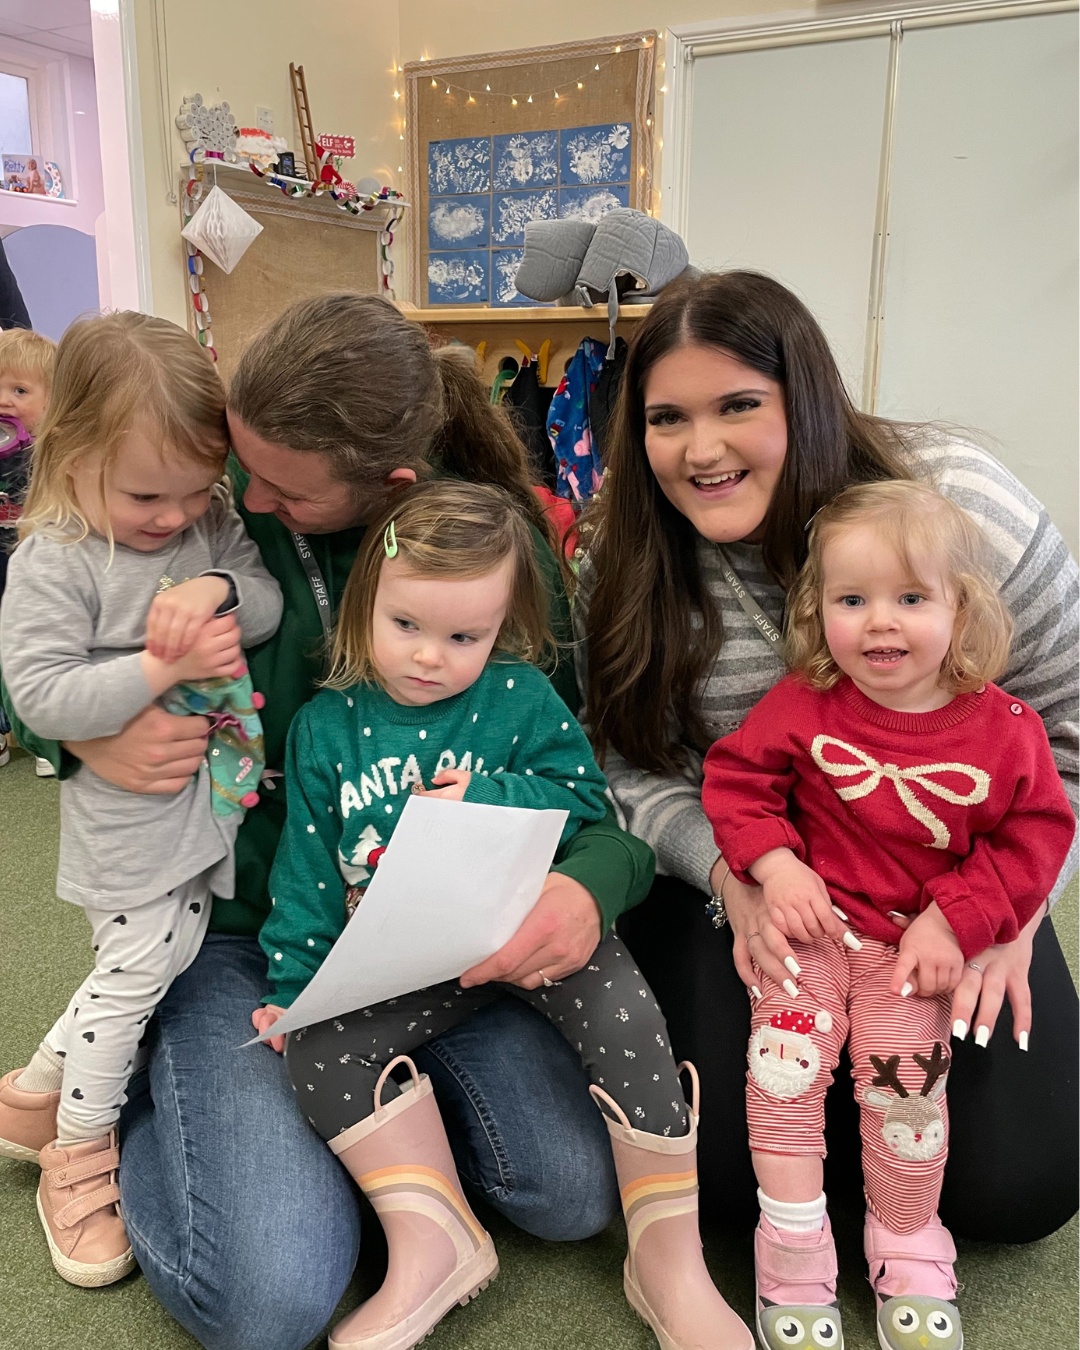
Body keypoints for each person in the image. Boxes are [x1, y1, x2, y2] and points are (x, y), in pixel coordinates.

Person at [0, 292, 654, 1350]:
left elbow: (580, 776)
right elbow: (35, 653)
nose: (241, 495)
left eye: (281, 489)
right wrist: (78, 742)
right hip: (241, 934)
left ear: (390, 484)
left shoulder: (496, 548)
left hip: (443, 939)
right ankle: (138, 1099)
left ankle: (327, 1138)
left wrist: (592, 882)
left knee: (570, 1193)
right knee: (269, 1303)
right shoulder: (197, 499)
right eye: (238, 466)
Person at [579, 270, 1079, 1246]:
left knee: (1018, 1185)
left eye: (738, 406)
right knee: (722, 1182)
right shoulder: (623, 555)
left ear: (804, 399)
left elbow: (1069, 737)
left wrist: (1010, 913)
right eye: (667, 418)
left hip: (951, 882)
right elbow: (621, 765)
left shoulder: (962, 511)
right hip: (762, 875)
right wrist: (731, 873)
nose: (701, 450)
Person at [255, 478, 751, 1350]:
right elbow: (304, 872)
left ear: (501, 627)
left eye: (464, 637)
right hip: (405, 960)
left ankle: (669, 1262)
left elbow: (584, 799)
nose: (429, 657)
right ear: (368, 600)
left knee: (629, 1015)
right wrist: (294, 988)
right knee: (314, 1051)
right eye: (406, 624)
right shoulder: (325, 728)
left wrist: (489, 794)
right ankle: (434, 1244)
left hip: (528, 937)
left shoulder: (519, 698)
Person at [701, 480, 1074, 1350]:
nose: (880, 623)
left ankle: (907, 1244)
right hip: (813, 931)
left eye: (910, 599)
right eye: (852, 600)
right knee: (781, 1076)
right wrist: (775, 863)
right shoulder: (804, 700)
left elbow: (1038, 836)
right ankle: (793, 1250)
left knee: (907, 1097)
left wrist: (958, 919)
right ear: (817, 609)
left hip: (914, 951)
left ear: (960, 608)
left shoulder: (1006, 729)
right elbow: (736, 781)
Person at [0, 312, 282, 1287]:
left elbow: (262, 595)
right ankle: (77, 1147)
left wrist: (213, 587)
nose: (175, 515)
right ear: (72, 456)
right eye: (146, 495)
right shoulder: (54, 558)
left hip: (200, 808)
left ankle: (33, 1094)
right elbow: (40, 695)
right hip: (126, 825)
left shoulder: (203, 526)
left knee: (161, 956)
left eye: (197, 490)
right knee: (131, 980)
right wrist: (160, 669)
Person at [0, 326, 55, 769]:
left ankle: (47, 737)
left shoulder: (53, 452)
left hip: (38, 562)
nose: (5, 401)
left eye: (19, 390)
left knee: (40, 640)